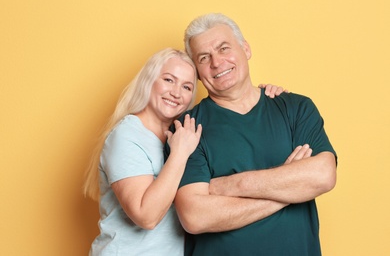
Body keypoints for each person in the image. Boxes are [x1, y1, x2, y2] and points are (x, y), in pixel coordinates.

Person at [83, 47, 286, 255]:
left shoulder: (184, 132)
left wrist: (265, 98)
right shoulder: (127, 135)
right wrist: (179, 154)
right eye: (169, 80)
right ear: (149, 80)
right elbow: (146, 216)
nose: (176, 93)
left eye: (187, 87)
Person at [172, 13, 338, 255]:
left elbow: (323, 175)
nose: (217, 63)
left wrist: (227, 185)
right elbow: (195, 216)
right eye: (204, 57)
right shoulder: (186, 128)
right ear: (197, 71)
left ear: (246, 49)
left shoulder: (296, 108)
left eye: (224, 48)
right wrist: (290, 189)